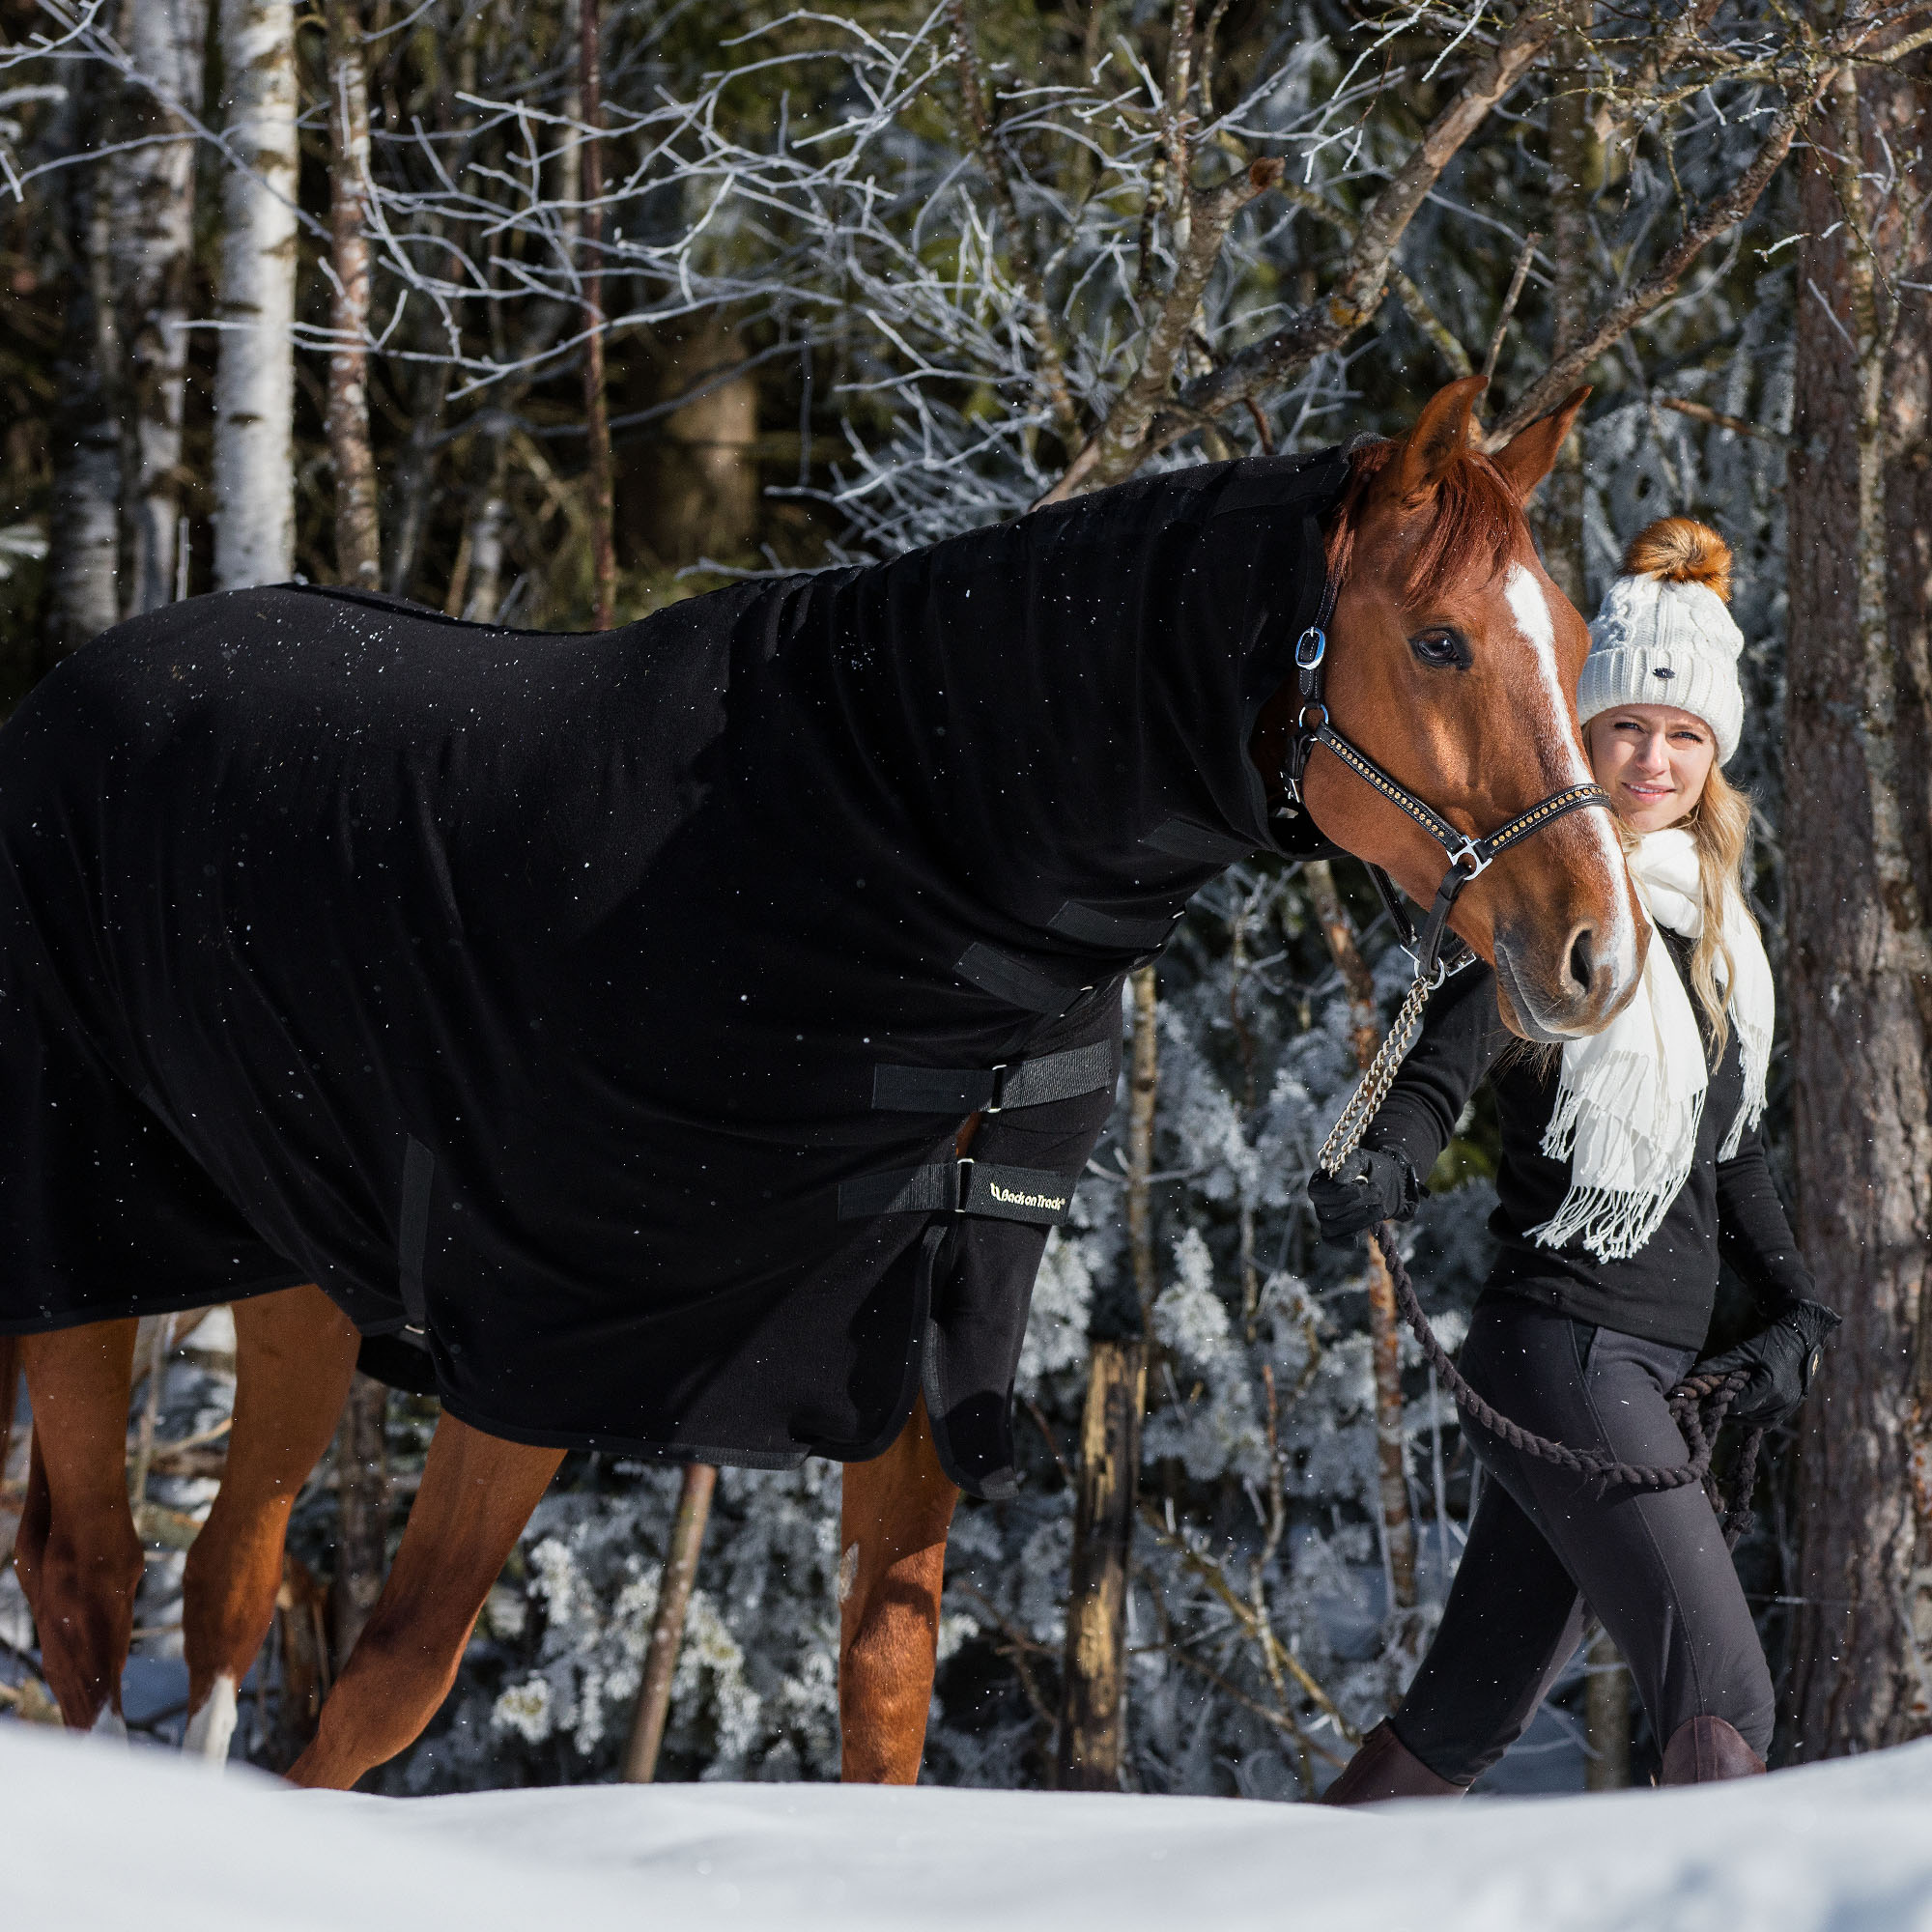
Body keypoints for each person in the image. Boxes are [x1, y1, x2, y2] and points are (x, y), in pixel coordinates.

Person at [1309, 518, 1838, 1798]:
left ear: (1714, 761)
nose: (1655, 758)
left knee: (1460, 1721)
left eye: (1686, 736)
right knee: (1721, 1689)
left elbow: (1728, 1157)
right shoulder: (1556, 930)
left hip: (1648, 1368)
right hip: (1567, 1351)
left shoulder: (1714, 937)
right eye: (1628, 729)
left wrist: (1795, 1313)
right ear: (1580, 741)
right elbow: (1441, 1066)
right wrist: (1386, 1162)